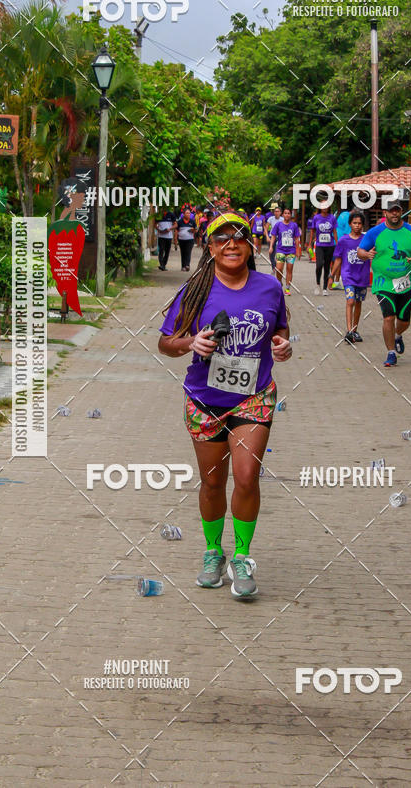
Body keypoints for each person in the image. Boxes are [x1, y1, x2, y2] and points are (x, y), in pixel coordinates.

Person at [158, 212, 292, 599]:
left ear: (252, 247)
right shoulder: (195, 290)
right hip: (205, 399)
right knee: (213, 480)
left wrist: (282, 344)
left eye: (240, 238)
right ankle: (213, 552)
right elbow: (165, 343)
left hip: (254, 395)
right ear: (211, 248)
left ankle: (243, 556)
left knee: (247, 476)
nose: (231, 244)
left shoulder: (269, 288)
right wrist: (190, 344)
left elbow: (279, 327)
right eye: (222, 239)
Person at [358, 199, 411, 367]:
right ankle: (391, 353)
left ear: (400, 212)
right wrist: (366, 255)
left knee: (404, 321)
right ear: (385, 213)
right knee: (388, 317)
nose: (394, 213)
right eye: (391, 211)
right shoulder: (375, 232)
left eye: (397, 210)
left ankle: (397, 335)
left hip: (405, 281)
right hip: (383, 282)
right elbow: (360, 251)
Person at [331, 209, 371, 342]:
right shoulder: (343, 240)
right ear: (350, 224)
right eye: (354, 223)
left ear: (363, 225)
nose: (357, 225)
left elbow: (373, 255)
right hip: (348, 276)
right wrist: (331, 276)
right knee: (350, 301)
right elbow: (338, 259)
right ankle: (348, 331)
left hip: (363, 276)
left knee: (358, 303)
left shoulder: (366, 240)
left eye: (360, 223)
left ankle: (355, 329)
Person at [269, 207, 301, 295]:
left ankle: (287, 288)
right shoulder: (278, 225)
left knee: (289, 270)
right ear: (283, 215)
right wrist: (271, 247)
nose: (287, 215)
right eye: (285, 213)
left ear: (290, 215)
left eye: (288, 213)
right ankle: (279, 283)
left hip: (291, 251)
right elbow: (273, 236)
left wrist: (298, 251)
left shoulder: (294, 225)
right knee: (279, 269)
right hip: (280, 250)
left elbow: (297, 239)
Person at [310, 205, 337, 296]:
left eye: (326, 205)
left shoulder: (332, 217)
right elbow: (312, 231)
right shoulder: (316, 217)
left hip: (330, 245)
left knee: (327, 266)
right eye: (323, 206)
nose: (324, 207)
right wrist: (310, 244)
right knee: (319, 265)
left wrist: (337, 243)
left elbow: (334, 231)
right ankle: (318, 284)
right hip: (319, 245)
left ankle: (325, 288)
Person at [266, 206, 281, 272]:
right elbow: (266, 228)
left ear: (280, 212)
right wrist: (267, 237)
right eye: (275, 211)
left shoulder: (282, 219)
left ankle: (278, 266)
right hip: (271, 237)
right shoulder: (271, 219)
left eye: (278, 211)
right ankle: (273, 267)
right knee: (271, 253)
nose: (276, 213)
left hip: (279, 238)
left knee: (278, 253)